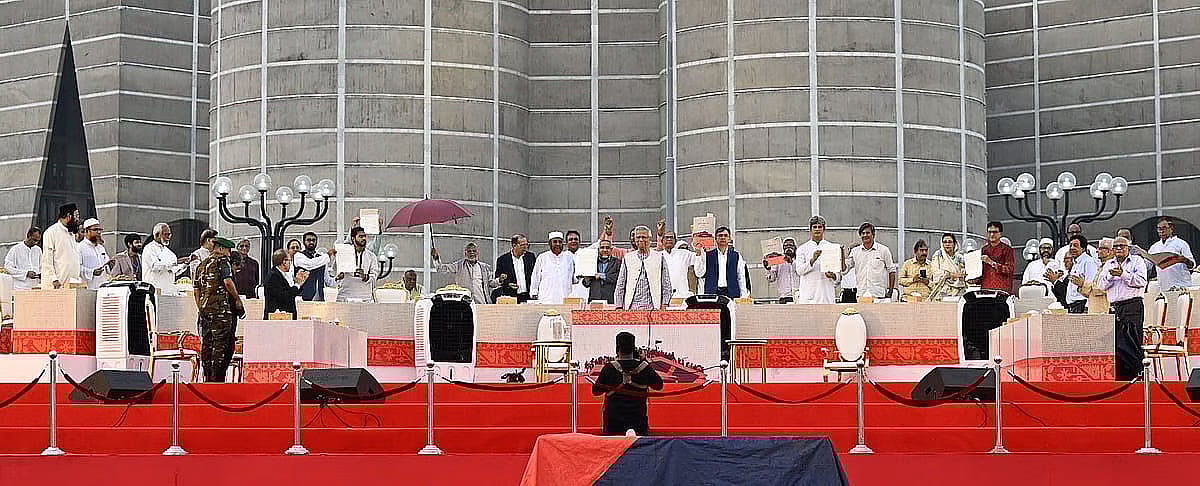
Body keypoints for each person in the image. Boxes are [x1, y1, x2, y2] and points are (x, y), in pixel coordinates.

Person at [591, 332, 664, 436]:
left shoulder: (609, 368)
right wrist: (644, 361)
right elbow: (658, 385)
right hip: (638, 420)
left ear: (617, 348)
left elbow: (596, 391)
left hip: (613, 422)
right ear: (634, 348)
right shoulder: (644, 367)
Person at [193, 237, 244, 382]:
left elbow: (196, 289)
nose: (229, 254)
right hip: (221, 310)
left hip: (205, 311)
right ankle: (217, 379)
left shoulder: (201, 265)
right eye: (228, 250)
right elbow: (228, 282)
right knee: (221, 344)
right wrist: (237, 299)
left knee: (207, 344)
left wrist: (201, 306)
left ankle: (207, 377)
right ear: (221, 249)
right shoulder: (222, 261)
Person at [1098, 236, 1148, 381]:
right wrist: (1111, 276)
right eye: (1116, 246)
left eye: (1122, 246)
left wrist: (1123, 274)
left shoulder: (1137, 261)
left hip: (1132, 306)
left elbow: (1141, 281)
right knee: (1116, 344)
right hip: (1115, 308)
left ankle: (1138, 375)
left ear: (1128, 248)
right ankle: (1122, 378)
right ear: (1112, 249)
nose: (1119, 249)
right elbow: (1101, 286)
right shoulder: (1109, 264)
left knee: (1132, 341)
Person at [613, 226, 671, 310]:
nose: (641, 240)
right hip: (631, 308)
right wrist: (619, 306)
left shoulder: (659, 257)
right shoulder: (628, 258)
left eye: (644, 237)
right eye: (638, 237)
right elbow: (620, 285)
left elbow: (666, 284)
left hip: (653, 307)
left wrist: (664, 305)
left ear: (649, 239)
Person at [431, 242, 499, 304]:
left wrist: (499, 280)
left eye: (474, 251)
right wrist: (436, 258)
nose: (472, 253)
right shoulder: (459, 265)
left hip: (481, 303)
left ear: (477, 253)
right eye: (469, 251)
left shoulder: (484, 268)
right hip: (464, 303)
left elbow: (490, 283)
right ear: (465, 253)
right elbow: (442, 269)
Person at [845, 222, 897, 300]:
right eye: (863, 233)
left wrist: (890, 291)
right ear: (860, 235)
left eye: (868, 233)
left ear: (873, 235)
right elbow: (845, 269)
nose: (865, 235)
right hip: (861, 294)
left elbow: (892, 271)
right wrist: (841, 253)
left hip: (878, 295)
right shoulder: (855, 251)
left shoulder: (883, 250)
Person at [693, 226, 748, 298]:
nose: (723, 238)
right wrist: (698, 255)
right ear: (715, 239)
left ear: (729, 238)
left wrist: (743, 296)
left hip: (732, 293)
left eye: (725, 235)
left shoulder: (736, 256)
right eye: (720, 235)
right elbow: (699, 274)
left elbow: (741, 276)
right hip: (712, 293)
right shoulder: (707, 255)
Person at [1048, 235, 1097, 314]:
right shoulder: (1076, 263)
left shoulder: (1088, 262)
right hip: (1073, 306)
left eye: (1075, 246)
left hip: (1082, 304)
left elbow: (1091, 286)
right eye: (1070, 245)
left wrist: (1087, 307)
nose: (1072, 248)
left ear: (1083, 248)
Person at [795, 216, 840, 304]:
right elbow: (799, 271)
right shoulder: (802, 248)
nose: (817, 229)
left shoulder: (831, 247)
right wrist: (812, 260)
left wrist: (833, 275)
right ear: (810, 229)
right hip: (808, 295)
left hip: (826, 294)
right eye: (814, 227)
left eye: (820, 227)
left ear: (824, 229)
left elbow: (838, 276)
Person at [40, 203, 83, 289]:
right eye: (76, 216)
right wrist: (54, 279)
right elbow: (47, 260)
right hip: (57, 284)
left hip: (72, 283)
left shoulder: (71, 234)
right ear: (68, 216)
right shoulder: (51, 232)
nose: (77, 220)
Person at [143, 223, 191, 295]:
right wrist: (175, 262)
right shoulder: (149, 248)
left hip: (168, 291)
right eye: (165, 234)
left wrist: (185, 264)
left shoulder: (170, 253)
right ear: (157, 235)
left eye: (169, 234)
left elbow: (175, 272)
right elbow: (154, 266)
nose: (168, 237)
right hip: (153, 290)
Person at [332, 227, 378, 302]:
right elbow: (335, 270)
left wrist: (365, 276)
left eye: (364, 236)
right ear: (353, 238)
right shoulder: (344, 253)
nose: (363, 238)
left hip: (365, 296)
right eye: (360, 236)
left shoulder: (371, 256)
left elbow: (374, 276)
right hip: (344, 295)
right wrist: (338, 258)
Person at [1149, 217, 1195, 291]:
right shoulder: (1154, 247)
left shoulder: (1181, 243)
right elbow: (1147, 266)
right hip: (1163, 288)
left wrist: (1184, 259)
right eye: (1159, 228)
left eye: (1164, 228)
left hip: (1182, 286)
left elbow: (1192, 265)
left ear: (1171, 228)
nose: (1161, 231)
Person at [531, 231, 575, 304]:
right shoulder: (542, 257)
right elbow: (535, 276)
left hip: (564, 296)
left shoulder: (569, 258)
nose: (557, 244)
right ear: (549, 243)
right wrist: (534, 291)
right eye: (555, 242)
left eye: (560, 242)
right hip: (546, 298)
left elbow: (573, 277)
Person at [264, 249, 310, 319]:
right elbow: (286, 296)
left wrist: (300, 283)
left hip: (285, 318)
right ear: (284, 261)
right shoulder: (274, 276)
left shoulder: (282, 274)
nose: (290, 263)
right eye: (289, 260)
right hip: (278, 318)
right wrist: (297, 284)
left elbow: (292, 292)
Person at [494, 234, 536, 302]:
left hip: (528, 296)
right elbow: (499, 278)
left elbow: (535, 275)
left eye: (527, 244)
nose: (526, 247)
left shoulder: (530, 257)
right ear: (514, 246)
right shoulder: (502, 260)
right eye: (523, 245)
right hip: (511, 297)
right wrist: (508, 284)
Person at [295, 232, 336, 301]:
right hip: (304, 297)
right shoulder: (299, 256)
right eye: (308, 240)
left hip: (320, 297)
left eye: (313, 240)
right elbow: (310, 264)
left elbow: (326, 279)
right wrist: (327, 255)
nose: (311, 242)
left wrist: (337, 278)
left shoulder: (321, 258)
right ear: (304, 242)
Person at [977, 221, 1014, 294]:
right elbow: (979, 271)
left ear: (1000, 233)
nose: (992, 234)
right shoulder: (983, 250)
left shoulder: (1007, 249)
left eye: (995, 232)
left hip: (1001, 290)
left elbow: (1009, 270)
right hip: (985, 289)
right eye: (989, 232)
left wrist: (991, 262)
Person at [582, 239, 622, 303]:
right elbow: (586, 284)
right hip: (594, 299)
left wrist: (602, 276)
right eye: (602, 247)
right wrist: (587, 279)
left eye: (607, 248)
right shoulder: (592, 262)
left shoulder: (618, 262)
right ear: (598, 249)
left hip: (611, 299)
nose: (605, 250)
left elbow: (618, 278)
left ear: (611, 250)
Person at [929, 233, 966, 300]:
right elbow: (935, 272)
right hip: (943, 289)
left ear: (954, 243)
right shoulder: (938, 255)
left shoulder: (960, 257)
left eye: (950, 242)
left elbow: (965, 272)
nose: (947, 244)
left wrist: (961, 275)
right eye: (945, 242)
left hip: (959, 289)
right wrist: (951, 275)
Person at [77, 218, 112, 290]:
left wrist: (110, 265)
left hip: (102, 287)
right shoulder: (79, 247)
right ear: (86, 231)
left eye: (100, 230)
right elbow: (77, 268)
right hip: (88, 288)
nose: (98, 232)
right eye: (95, 230)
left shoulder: (101, 248)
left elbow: (106, 265)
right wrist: (92, 272)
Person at [661, 233, 695, 300]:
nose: (669, 239)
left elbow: (698, 258)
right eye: (666, 237)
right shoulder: (658, 255)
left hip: (681, 293)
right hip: (663, 295)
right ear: (662, 241)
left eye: (671, 237)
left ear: (675, 241)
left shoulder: (684, 254)